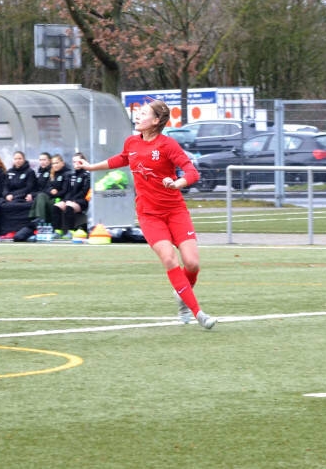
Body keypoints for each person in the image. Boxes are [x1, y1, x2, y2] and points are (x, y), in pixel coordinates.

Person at [77, 99, 217, 329]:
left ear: (156, 121)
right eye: (139, 113)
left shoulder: (168, 145)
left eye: (143, 113)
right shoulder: (132, 142)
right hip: (149, 214)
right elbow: (122, 158)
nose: (138, 116)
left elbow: (192, 172)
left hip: (175, 211)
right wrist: (91, 167)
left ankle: (181, 293)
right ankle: (197, 312)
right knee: (169, 258)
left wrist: (177, 183)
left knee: (192, 264)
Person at [0, 150, 37, 236]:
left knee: (18, 206)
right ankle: (6, 231)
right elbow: (5, 186)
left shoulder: (30, 172)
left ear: (24, 159)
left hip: (23, 197)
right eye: (16, 159)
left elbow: (29, 188)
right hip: (10, 198)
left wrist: (14, 195)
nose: (18, 160)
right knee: (1, 206)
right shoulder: (9, 172)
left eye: (20, 158)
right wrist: (6, 195)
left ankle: (21, 230)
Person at [51, 152, 91, 239]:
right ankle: (58, 231)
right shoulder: (71, 175)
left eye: (78, 161)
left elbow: (84, 192)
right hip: (71, 199)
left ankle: (71, 231)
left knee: (69, 206)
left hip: (82, 201)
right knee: (56, 206)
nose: (76, 164)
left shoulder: (87, 175)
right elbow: (68, 191)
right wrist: (66, 200)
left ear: (84, 161)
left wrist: (72, 200)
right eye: (74, 162)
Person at [29, 153, 70, 225]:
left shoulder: (67, 174)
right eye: (53, 163)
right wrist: (51, 190)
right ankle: (40, 218)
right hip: (51, 197)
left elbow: (65, 190)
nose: (55, 165)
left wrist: (56, 193)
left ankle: (41, 220)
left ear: (62, 163)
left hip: (60, 199)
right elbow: (47, 187)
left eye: (57, 163)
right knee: (41, 195)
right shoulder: (52, 174)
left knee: (43, 198)